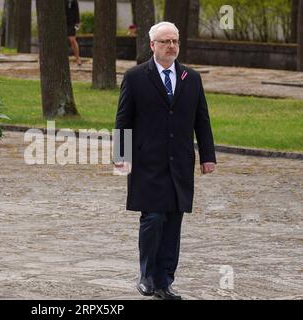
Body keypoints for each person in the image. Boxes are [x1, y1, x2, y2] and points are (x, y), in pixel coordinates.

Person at [114, 21, 216, 300]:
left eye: (175, 41)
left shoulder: (191, 78)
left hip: (180, 163)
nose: (171, 46)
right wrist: (121, 156)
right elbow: (123, 120)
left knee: (173, 222)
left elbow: (201, 119)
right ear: (152, 45)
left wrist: (208, 156)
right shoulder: (135, 77)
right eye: (165, 42)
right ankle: (146, 276)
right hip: (147, 161)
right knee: (153, 217)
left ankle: (165, 282)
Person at [65, 0, 82, 66]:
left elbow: (77, 11)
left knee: (72, 40)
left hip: (71, 23)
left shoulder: (74, 1)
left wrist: (78, 23)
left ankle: (77, 58)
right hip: (62, 21)